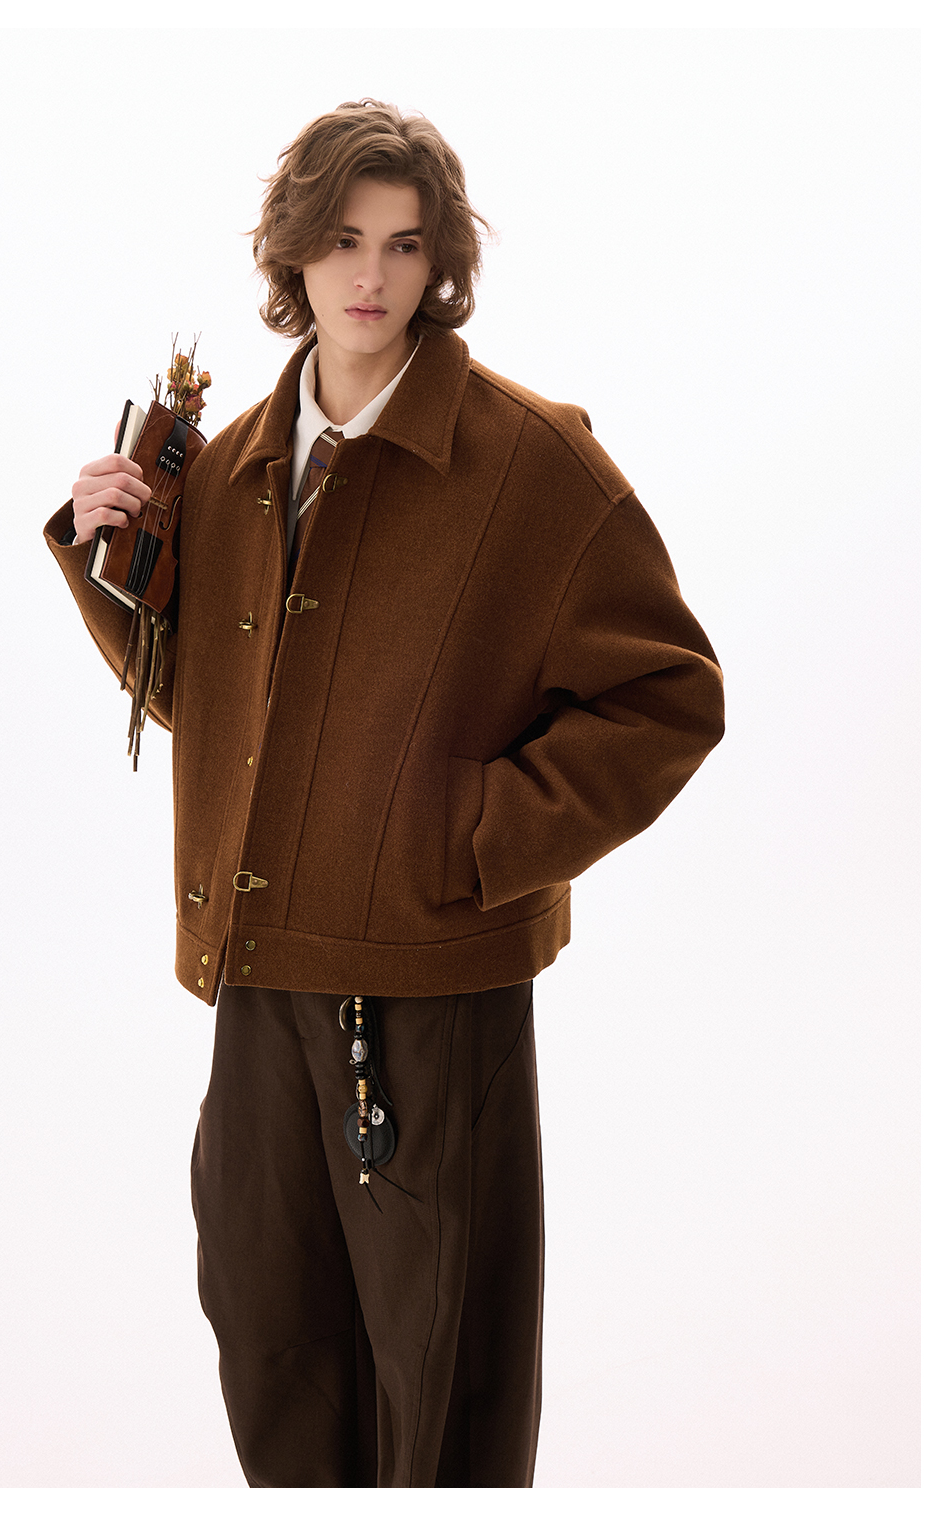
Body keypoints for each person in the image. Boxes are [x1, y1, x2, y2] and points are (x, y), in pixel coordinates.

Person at [44, 99, 725, 1489]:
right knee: (273, 1340)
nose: (371, 274)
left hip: (430, 989)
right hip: (258, 979)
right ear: (292, 253)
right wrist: (109, 562)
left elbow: (670, 695)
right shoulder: (234, 463)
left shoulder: (527, 459)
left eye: (405, 245)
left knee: (443, 1372)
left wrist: (467, 840)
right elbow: (219, 711)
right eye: (343, 239)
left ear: (440, 263)